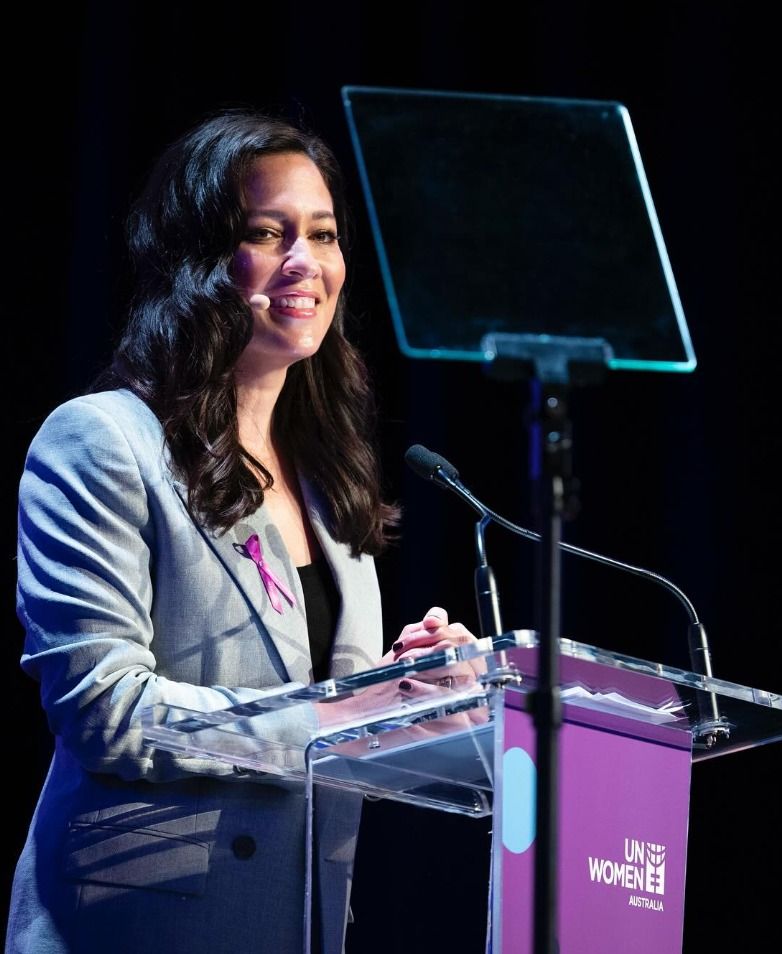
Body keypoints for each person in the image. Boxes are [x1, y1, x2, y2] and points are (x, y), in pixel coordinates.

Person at [6, 108, 482, 954]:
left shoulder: (329, 479)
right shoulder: (103, 441)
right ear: (200, 261)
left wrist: (412, 695)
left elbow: (324, 726)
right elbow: (106, 711)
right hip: (137, 929)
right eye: (268, 233)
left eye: (324, 235)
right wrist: (347, 711)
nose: (307, 262)